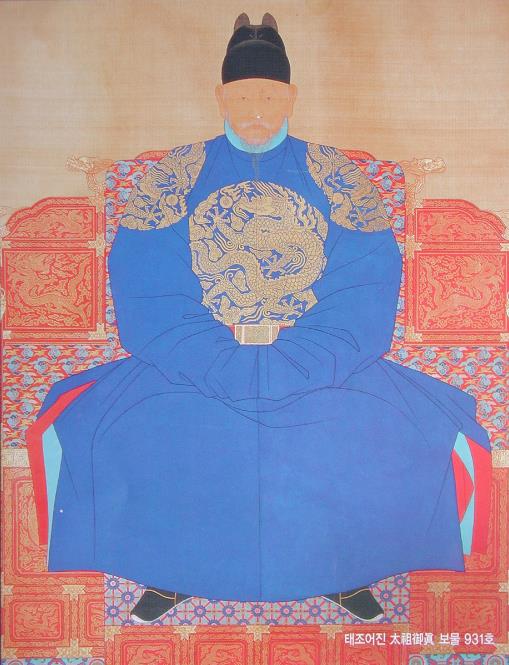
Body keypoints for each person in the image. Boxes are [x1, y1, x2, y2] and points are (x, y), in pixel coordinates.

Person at [28, 13, 491, 624]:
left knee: (387, 430)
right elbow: (147, 285)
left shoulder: (337, 177)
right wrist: (212, 360)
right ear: (221, 97)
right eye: (243, 96)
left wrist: (304, 360)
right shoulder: (172, 177)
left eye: (269, 96)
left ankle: (343, 571)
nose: (256, 109)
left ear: (290, 98)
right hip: (193, 360)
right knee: (130, 427)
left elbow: (366, 285)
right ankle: (172, 571)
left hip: (321, 360)